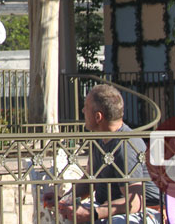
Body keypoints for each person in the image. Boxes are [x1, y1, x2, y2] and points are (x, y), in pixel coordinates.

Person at [41, 84, 162, 224]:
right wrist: (63, 199)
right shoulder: (100, 140)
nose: (82, 110)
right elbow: (89, 181)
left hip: (145, 211)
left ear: (98, 116)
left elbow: (134, 202)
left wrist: (92, 213)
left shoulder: (124, 145)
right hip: (109, 208)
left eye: (86, 107)